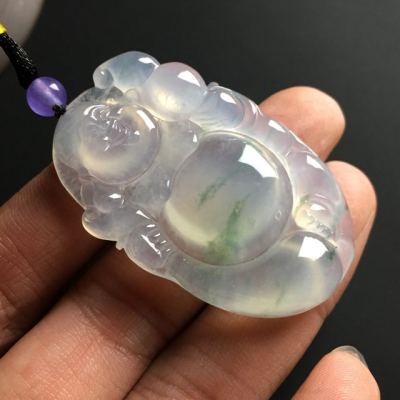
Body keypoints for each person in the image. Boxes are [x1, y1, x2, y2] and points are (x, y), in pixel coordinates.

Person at [0, 87, 379, 399]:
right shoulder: (134, 206)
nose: (108, 127)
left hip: (283, 212)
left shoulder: (184, 115)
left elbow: (246, 120)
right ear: (96, 171)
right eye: (98, 143)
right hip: (236, 246)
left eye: (107, 115)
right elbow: (163, 255)